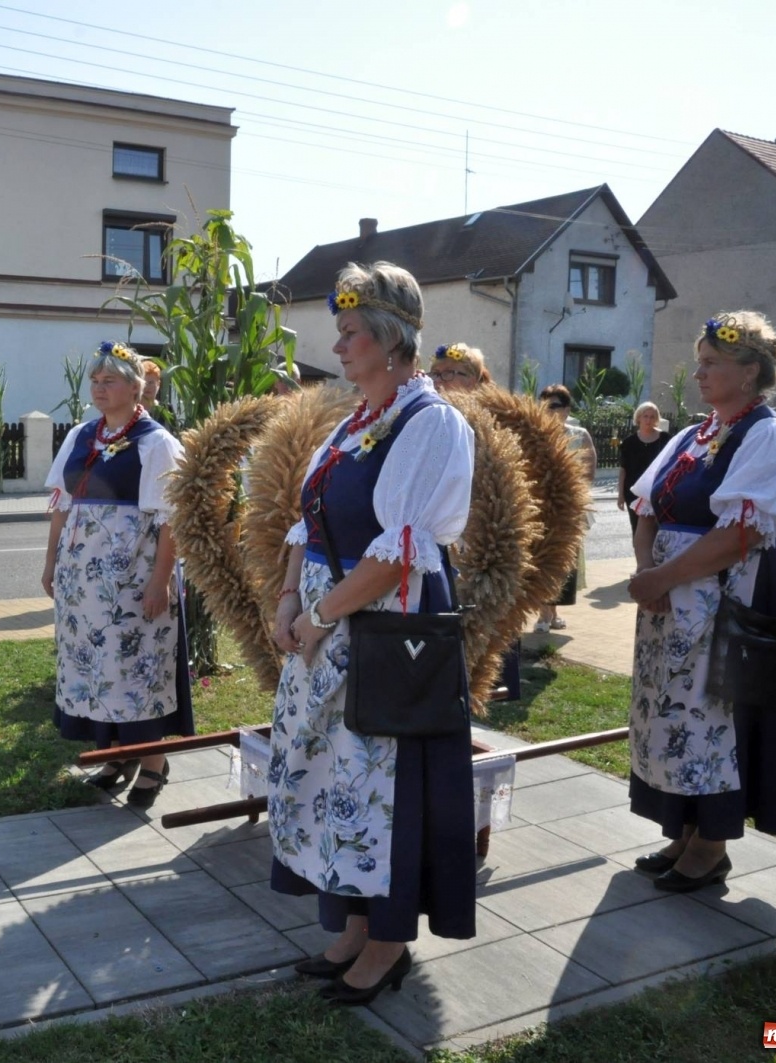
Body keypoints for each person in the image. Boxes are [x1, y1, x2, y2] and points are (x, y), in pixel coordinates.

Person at [269, 262, 475, 1006]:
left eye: (351, 332)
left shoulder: (432, 423)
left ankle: (387, 942)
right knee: (335, 778)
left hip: (384, 627)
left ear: (391, 341)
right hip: (326, 618)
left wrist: (321, 618)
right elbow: (308, 521)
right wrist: (288, 594)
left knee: (379, 778)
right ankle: (353, 925)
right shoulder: (354, 423)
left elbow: (401, 550)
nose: (340, 343)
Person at [625, 311, 776, 892]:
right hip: (669, 601)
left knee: (714, 716)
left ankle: (711, 844)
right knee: (669, 714)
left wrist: (662, 578)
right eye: (700, 362)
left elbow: (742, 534)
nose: (699, 373)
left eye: (712, 364)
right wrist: (645, 572)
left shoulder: (768, 434)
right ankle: (681, 829)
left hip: (726, 600)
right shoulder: (691, 435)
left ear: (750, 372)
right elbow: (647, 506)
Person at [42, 342, 191, 808]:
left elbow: (172, 518)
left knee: (135, 669)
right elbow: (62, 505)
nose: (99, 389)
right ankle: (115, 755)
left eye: (109, 381)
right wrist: (50, 563)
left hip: (134, 577)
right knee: (96, 669)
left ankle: (152, 763)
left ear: (135, 388)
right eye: (95, 381)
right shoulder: (80, 437)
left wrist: (160, 581)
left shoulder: (156, 443)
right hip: (82, 583)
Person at [536, 384, 594, 631]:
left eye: (554, 406)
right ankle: (543, 615)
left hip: (567, 507)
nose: (548, 410)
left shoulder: (578, 434)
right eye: (544, 404)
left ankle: (554, 611)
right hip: (539, 506)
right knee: (539, 559)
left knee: (560, 561)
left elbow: (589, 471)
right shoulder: (534, 434)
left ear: (567, 409)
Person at [617, 402, 671, 534]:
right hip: (634, 492)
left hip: (658, 492)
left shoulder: (665, 439)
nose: (648, 420)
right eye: (645, 416)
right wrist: (620, 495)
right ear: (639, 418)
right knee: (637, 529)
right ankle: (640, 554)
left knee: (658, 529)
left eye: (652, 417)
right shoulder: (629, 443)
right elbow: (623, 469)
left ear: (657, 419)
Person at [138, 357, 175, 428]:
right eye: (144, 383)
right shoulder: (131, 409)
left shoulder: (167, 409)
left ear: (158, 384)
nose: (147, 387)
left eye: (151, 383)